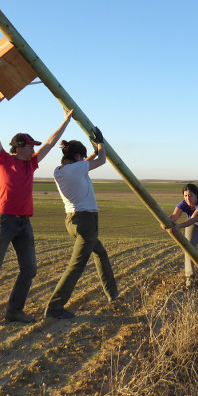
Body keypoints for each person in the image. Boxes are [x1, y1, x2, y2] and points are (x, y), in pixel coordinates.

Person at [0, 86, 73, 326]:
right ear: (19, 147)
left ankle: (14, 311)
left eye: (34, 147)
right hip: (3, 220)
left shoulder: (31, 165)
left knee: (30, 269)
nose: (34, 149)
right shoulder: (3, 160)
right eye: (30, 146)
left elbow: (50, 142)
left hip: (24, 223)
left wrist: (65, 120)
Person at [44, 128, 118, 319]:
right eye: (82, 156)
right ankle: (54, 307)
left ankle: (113, 295)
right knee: (76, 266)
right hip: (86, 221)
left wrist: (91, 152)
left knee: (101, 253)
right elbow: (101, 160)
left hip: (72, 220)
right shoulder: (76, 169)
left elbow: (84, 164)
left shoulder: (61, 171)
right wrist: (101, 143)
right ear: (77, 155)